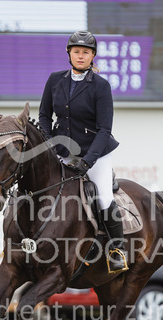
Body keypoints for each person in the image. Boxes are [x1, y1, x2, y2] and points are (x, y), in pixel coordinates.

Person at [39, 30, 128, 274]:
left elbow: (104, 129)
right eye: (76, 51)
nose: (80, 56)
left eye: (85, 52)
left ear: (92, 56)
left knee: (104, 198)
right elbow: (45, 116)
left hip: (94, 153)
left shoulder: (101, 86)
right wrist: (49, 144)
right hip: (62, 150)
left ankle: (117, 250)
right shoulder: (54, 80)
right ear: (69, 54)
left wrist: (87, 162)